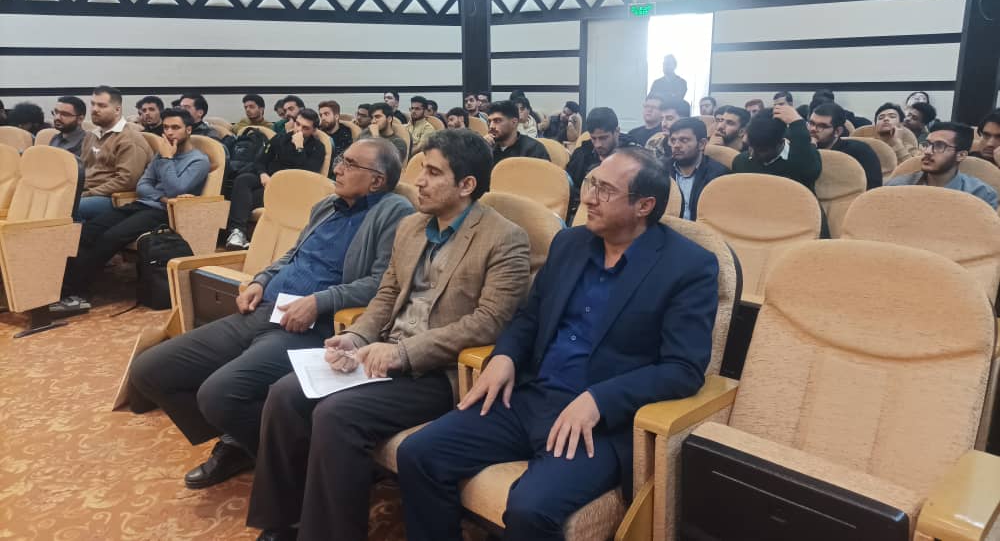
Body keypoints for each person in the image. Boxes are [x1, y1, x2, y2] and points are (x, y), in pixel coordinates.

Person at [397, 146, 719, 541]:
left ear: (644, 206)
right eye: (591, 184)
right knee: (419, 454)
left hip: (600, 422)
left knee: (530, 509)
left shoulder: (688, 267)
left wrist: (599, 400)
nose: (589, 198)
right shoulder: (570, 243)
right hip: (530, 396)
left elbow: (683, 369)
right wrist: (505, 356)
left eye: (605, 191)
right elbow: (530, 317)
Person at [246, 129, 532, 541]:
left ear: (467, 184)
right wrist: (357, 338)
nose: (420, 181)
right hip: (381, 353)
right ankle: (282, 523)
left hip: (438, 372)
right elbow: (386, 295)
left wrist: (403, 353)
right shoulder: (412, 227)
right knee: (285, 394)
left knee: (336, 415)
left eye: (434, 173)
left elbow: (489, 322)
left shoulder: (504, 238)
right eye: (421, 169)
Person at [129, 137, 414, 493]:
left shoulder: (394, 212)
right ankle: (243, 439)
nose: (338, 168)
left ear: (377, 181)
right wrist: (261, 280)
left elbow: (382, 283)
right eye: (342, 159)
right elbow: (293, 254)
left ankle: (298, 469)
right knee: (149, 371)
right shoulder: (327, 206)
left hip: (314, 326)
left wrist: (319, 301)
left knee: (219, 394)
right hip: (267, 309)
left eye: (351, 164)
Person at [61, 108, 209, 306]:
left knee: (110, 237)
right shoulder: (161, 155)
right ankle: (63, 286)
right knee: (88, 231)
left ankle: (76, 293)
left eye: (175, 128)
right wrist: (161, 196)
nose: (169, 132)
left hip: (165, 213)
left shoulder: (198, 161)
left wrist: (167, 159)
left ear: (189, 130)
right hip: (142, 204)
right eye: (166, 128)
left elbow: (176, 189)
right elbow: (142, 186)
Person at [225, 108, 327, 250]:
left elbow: (306, 176)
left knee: (245, 198)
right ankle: (238, 233)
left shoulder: (318, 148)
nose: (299, 130)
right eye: (297, 124)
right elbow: (260, 161)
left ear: (314, 130)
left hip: (289, 190)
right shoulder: (281, 138)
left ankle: (237, 232)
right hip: (268, 180)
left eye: (305, 128)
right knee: (243, 180)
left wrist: (299, 148)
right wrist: (263, 173)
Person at [78, 85, 151, 221]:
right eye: (93, 104)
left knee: (68, 208)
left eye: (102, 106)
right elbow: (82, 169)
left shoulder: (129, 138)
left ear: (117, 110)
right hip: (87, 193)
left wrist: (88, 193)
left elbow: (126, 181)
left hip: (113, 198)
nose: (94, 109)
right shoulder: (91, 135)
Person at [887, 122, 998, 208]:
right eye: (927, 144)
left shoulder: (980, 195)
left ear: (961, 155)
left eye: (939, 146)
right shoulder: (898, 187)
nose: (927, 151)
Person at [567, 107, 639, 219]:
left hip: (620, 215)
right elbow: (570, 189)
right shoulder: (581, 154)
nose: (598, 144)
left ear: (617, 131)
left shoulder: (634, 157)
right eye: (593, 138)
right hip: (584, 211)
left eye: (603, 138)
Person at [733, 105, 822, 193]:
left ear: (781, 142)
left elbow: (809, 174)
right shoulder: (741, 162)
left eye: (762, 150)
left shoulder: (802, 160)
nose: (753, 154)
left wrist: (797, 123)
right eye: (751, 146)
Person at [665, 117, 729, 220]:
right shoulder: (660, 169)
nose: (676, 145)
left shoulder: (719, 174)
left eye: (684, 140)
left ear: (701, 144)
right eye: (673, 140)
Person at [808, 103, 882, 189]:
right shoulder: (802, 149)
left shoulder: (860, 152)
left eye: (822, 126)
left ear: (837, 131)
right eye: (811, 123)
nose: (813, 129)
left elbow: (873, 189)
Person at [483, 100, 549, 166]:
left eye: (497, 121)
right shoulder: (488, 147)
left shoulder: (534, 149)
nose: (491, 126)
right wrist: (482, 148)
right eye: (489, 121)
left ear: (514, 122)